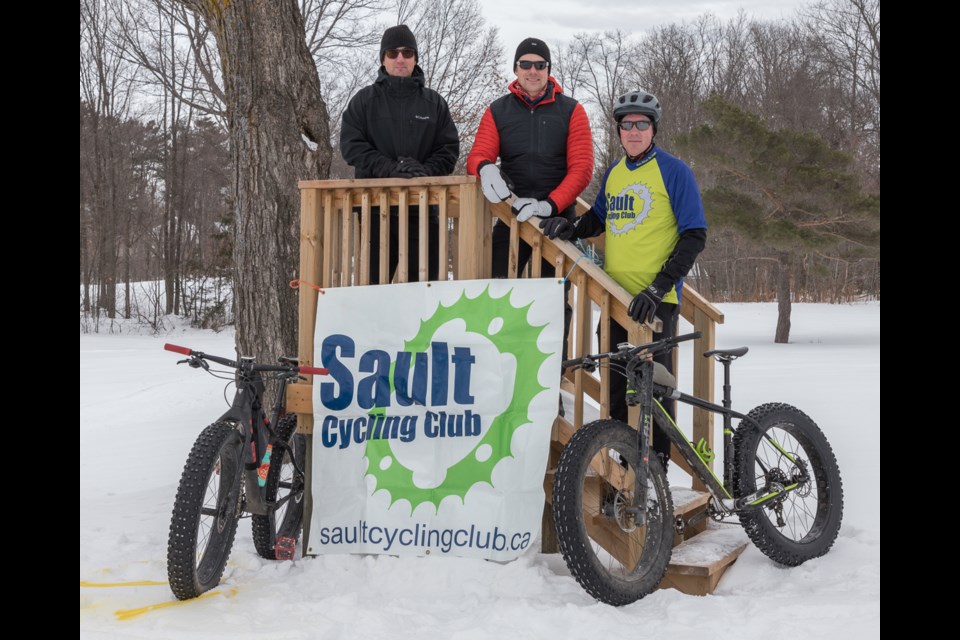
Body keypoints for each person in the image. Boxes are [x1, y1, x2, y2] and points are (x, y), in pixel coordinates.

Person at [541, 89, 708, 466]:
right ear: (618, 131)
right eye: (627, 125)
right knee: (616, 393)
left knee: (654, 394)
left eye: (642, 125)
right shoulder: (615, 173)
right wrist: (570, 227)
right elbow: (598, 218)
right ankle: (622, 471)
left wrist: (659, 287)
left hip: (654, 302)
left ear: (653, 130)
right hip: (615, 301)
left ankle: (656, 475)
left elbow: (695, 234)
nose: (634, 131)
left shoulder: (674, 171)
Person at [340, 25, 459, 283]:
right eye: (393, 52)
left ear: (415, 57)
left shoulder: (434, 103)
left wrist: (424, 172)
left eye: (407, 52)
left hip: (424, 212)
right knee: (374, 290)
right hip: (375, 212)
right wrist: (389, 169)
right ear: (383, 58)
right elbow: (351, 146)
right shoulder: (364, 101)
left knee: (426, 292)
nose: (400, 58)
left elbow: (448, 150)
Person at [466, 37, 593, 279]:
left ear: (548, 70)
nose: (532, 71)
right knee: (497, 287)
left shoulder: (572, 110)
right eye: (525, 64)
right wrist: (484, 168)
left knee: (553, 296)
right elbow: (478, 154)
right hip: (512, 212)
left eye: (540, 65)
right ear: (515, 69)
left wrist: (549, 205)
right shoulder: (498, 110)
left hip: (557, 218)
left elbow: (582, 169)